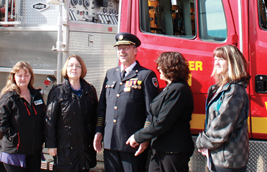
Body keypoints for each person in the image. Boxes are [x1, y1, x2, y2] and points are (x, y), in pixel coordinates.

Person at [94, 32, 160, 172]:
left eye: (126, 48)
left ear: (135, 50)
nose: (122, 51)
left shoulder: (146, 75)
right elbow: (102, 108)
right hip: (110, 142)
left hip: (132, 143)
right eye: (119, 48)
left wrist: (144, 137)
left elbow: (151, 113)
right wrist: (99, 132)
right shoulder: (110, 74)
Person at [126, 52, 194, 172]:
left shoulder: (178, 89)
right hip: (161, 148)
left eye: (161, 66)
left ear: (169, 68)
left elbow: (162, 122)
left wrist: (138, 136)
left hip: (173, 150)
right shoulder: (170, 88)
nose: (158, 69)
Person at [195, 45, 250, 172]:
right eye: (215, 59)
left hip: (228, 159)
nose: (216, 62)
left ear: (232, 62)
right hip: (217, 154)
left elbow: (222, 125)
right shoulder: (217, 88)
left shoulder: (235, 90)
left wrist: (201, 142)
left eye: (221, 59)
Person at [45, 55, 99, 172]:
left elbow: (95, 117)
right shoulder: (57, 91)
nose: (74, 68)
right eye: (71, 65)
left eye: (77, 66)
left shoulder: (90, 90)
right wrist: (51, 144)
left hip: (84, 149)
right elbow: (50, 119)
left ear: (82, 70)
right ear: (66, 69)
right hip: (65, 149)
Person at [0, 61, 45, 172]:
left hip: (34, 151)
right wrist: (16, 138)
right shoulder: (9, 97)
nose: (23, 78)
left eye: (26, 75)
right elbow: (1, 122)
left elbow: (43, 118)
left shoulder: (36, 95)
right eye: (20, 75)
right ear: (14, 77)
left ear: (31, 77)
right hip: (15, 151)